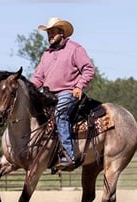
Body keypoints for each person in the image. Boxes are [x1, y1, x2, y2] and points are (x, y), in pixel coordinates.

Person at [30, 17, 95, 169]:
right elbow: (38, 77)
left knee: (60, 114)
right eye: (48, 33)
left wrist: (79, 86)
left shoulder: (75, 49)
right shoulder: (46, 54)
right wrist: (27, 90)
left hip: (67, 93)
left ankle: (68, 156)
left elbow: (88, 69)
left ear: (62, 33)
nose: (50, 35)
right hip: (48, 95)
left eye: (53, 32)